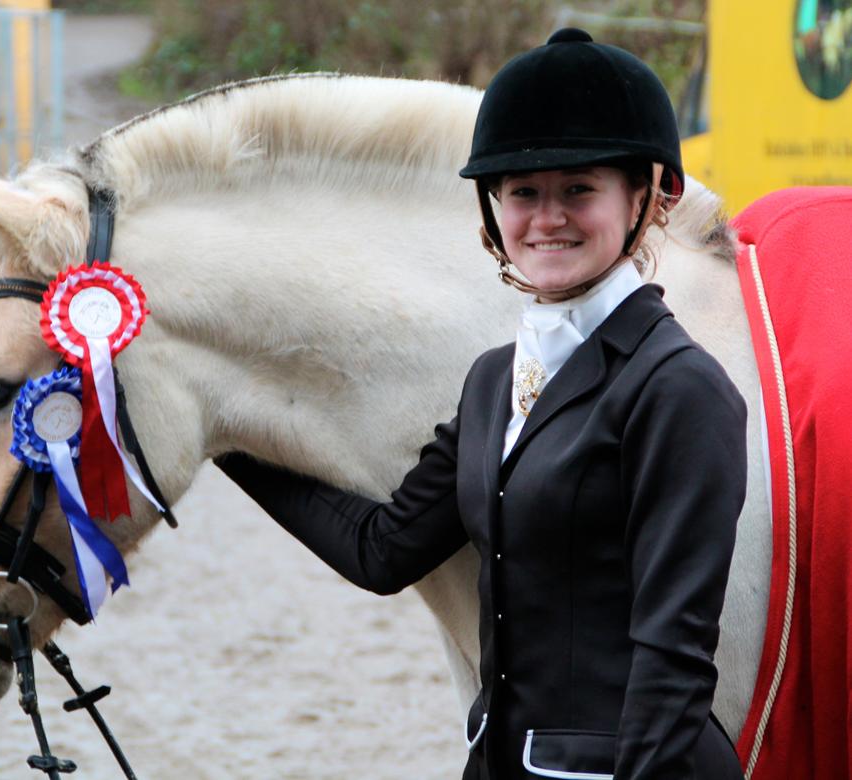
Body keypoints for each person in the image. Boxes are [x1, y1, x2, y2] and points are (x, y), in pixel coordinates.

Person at [216, 28, 747, 780]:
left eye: (579, 189)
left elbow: (674, 662)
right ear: (493, 207)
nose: (547, 218)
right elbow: (382, 549)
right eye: (523, 192)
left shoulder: (678, 389)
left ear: (644, 199)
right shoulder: (496, 379)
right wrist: (224, 428)